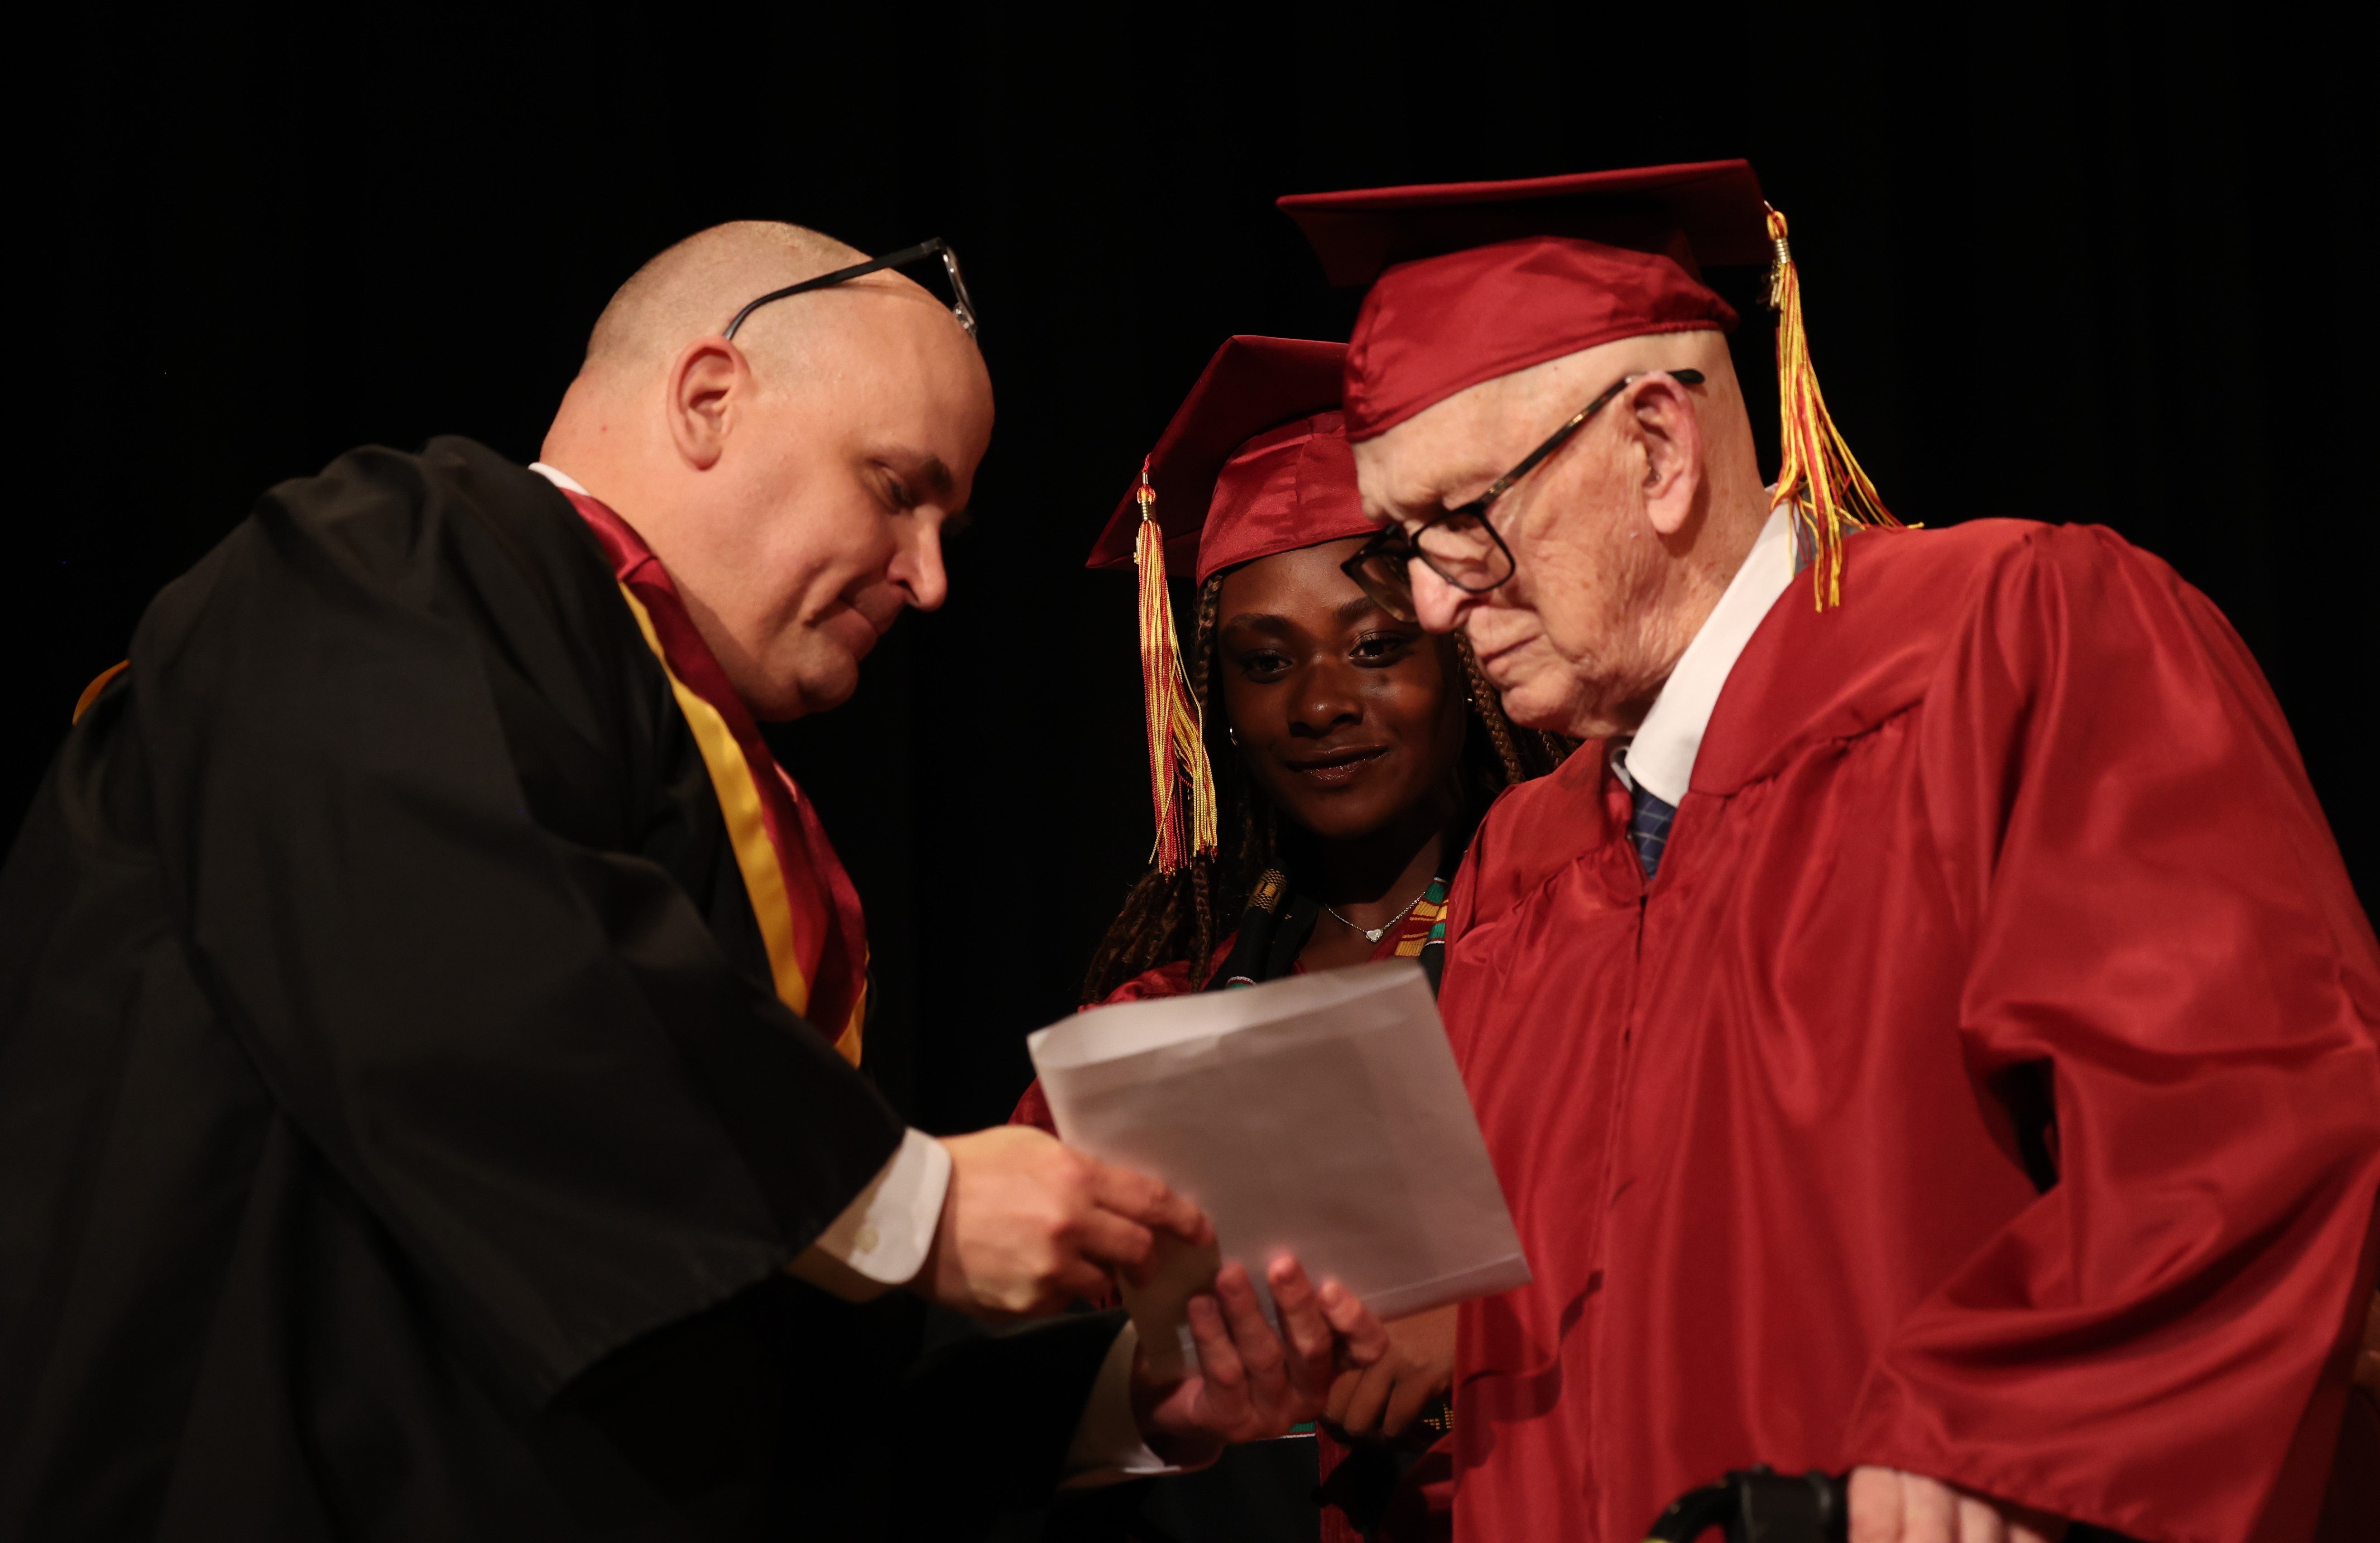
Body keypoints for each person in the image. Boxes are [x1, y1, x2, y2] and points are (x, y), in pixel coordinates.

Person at [0, 222, 1385, 1541]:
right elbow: (460, 977)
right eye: (899, 490)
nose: (930, 580)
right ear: (711, 397)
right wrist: (917, 1203)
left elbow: (728, 1370)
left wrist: (1124, 1400)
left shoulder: (685, 761)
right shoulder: (392, 554)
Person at [1272, 161, 2380, 1543]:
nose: (1435, 601)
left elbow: (2241, 1133)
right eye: (1406, 542)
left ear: (1659, 450)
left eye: (1463, 523)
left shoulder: (2008, 645)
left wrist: (1982, 1454)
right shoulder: (1521, 868)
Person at [1012, 336, 1564, 1543]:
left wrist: (1493, 1327)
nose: (1320, 703)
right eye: (1267, 663)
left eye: (1376, 648)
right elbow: (1035, 1389)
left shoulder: (1579, 943)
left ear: (1460, 655)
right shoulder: (1151, 1023)